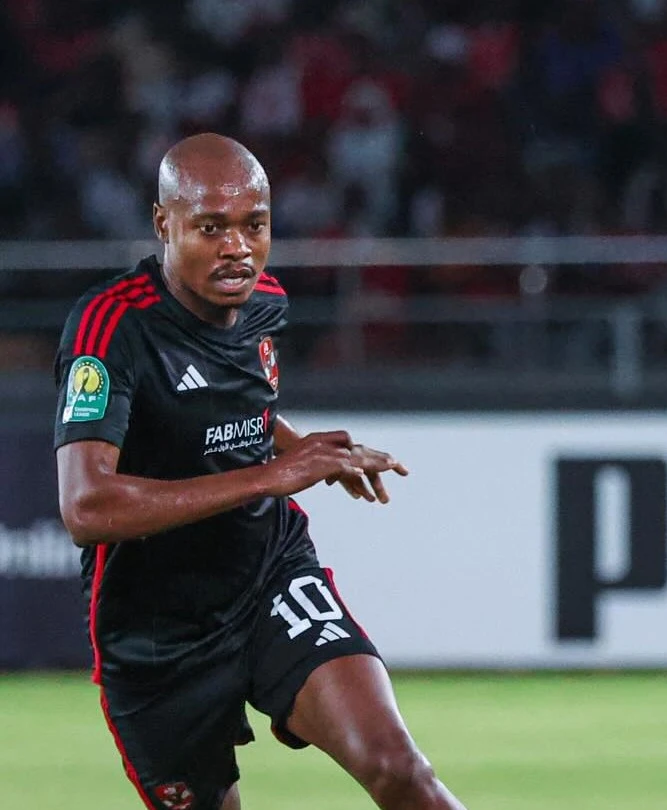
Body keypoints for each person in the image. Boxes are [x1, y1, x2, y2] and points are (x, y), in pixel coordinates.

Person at [54, 133, 467, 810]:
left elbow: (233, 410)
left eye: (254, 224)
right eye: (211, 227)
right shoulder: (110, 330)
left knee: (398, 767)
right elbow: (87, 508)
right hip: (156, 632)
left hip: (267, 576)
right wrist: (274, 475)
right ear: (165, 224)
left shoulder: (265, 302)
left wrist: (303, 450)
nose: (238, 248)